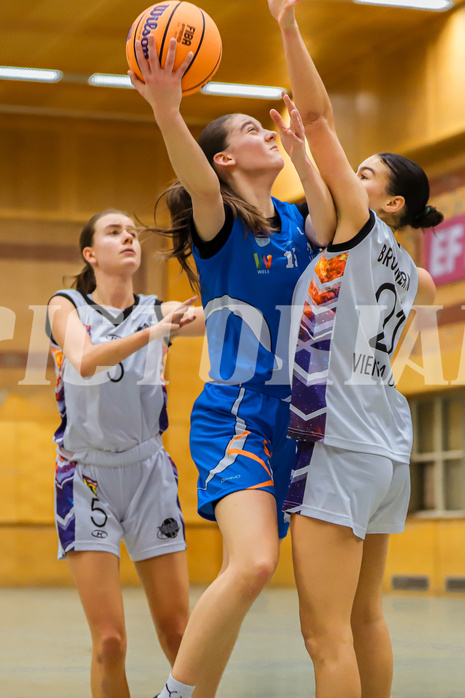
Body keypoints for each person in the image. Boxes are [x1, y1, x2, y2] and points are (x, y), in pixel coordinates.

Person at [128, 34, 336, 698]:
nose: (263, 130)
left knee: (261, 577)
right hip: (237, 414)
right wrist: (167, 110)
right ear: (225, 158)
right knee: (250, 565)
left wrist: (305, 148)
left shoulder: (301, 220)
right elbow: (195, 180)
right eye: (250, 129)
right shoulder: (221, 220)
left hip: (300, 421)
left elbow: (336, 213)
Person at [267, 2, 442, 697]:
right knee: (365, 616)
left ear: (391, 205)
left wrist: (286, 28)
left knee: (324, 633)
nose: (354, 176)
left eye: (367, 173)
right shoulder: (411, 273)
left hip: (337, 442)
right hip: (382, 443)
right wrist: (303, 162)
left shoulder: (365, 235)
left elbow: (318, 118)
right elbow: (327, 222)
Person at [47, 208, 205, 698]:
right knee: (111, 642)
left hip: (148, 474)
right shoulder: (66, 305)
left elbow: (224, 317)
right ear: (91, 254)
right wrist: (158, 332)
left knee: (181, 634)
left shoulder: (161, 308)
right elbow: (86, 360)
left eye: (133, 233)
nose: (128, 238)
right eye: (114, 232)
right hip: (85, 477)